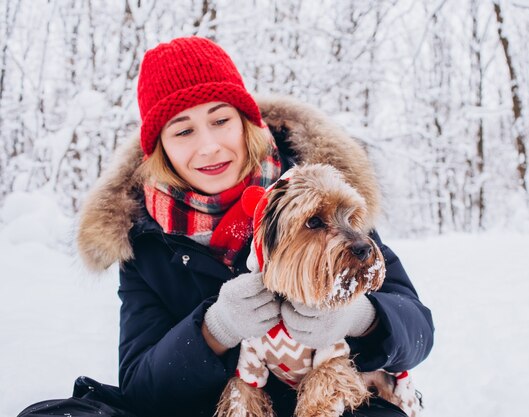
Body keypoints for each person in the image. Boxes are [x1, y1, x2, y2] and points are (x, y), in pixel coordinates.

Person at [18, 36, 434, 417]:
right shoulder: (144, 240)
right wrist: (215, 329)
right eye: (183, 130)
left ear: (245, 122)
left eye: (221, 120)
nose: (209, 146)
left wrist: (360, 317)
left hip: (333, 400)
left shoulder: (316, 191)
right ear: (160, 148)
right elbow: (142, 389)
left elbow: (418, 332)